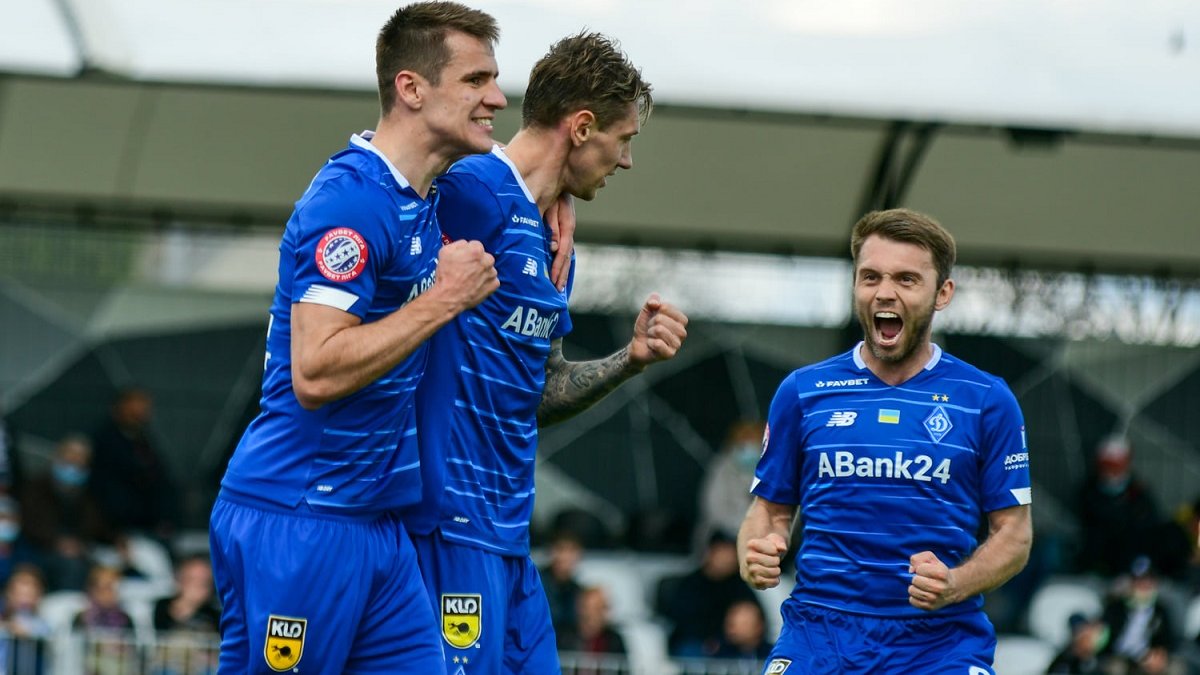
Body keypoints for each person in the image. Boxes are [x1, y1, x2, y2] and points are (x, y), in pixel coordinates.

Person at [208, 3, 510, 672]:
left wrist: (565, 190)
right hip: (301, 513)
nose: (497, 98)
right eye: (476, 80)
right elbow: (315, 371)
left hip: (376, 523)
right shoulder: (350, 202)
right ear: (411, 88)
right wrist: (444, 299)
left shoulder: (424, 195)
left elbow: (526, 166)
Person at [400, 32, 688, 675]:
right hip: (446, 525)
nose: (627, 161)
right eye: (624, 139)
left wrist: (630, 359)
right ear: (582, 128)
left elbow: (541, 390)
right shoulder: (471, 188)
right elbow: (390, 188)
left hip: (509, 537)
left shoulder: (553, 241)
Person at [738, 208, 1033, 674]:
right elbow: (769, 512)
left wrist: (955, 584)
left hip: (939, 645)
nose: (884, 292)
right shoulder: (802, 392)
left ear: (942, 293)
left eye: (906, 279)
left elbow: (1014, 534)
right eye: (870, 277)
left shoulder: (986, 400)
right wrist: (755, 552)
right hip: (820, 636)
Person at [19, 433, 111, 591]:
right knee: (71, 566)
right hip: (40, 549)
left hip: (80, 550)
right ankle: (67, 603)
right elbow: (30, 524)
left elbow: (97, 526)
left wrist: (114, 540)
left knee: (105, 568)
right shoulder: (36, 487)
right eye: (70, 461)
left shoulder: (88, 495)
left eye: (80, 464)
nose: (74, 468)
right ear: (57, 458)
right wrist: (59, 543)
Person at [89, 387, 179, 540]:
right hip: (115, 526)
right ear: (118, 408)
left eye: (143, 408)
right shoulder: (104, 441)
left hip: (148, 524)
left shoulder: (145, 441)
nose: (139, 413)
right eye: (133, 409)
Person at [657, 530, 762, 658]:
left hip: (731, 644)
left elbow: (756, 615)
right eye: (723, 552)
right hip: (696, 644)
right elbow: (682, 621)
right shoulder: (690, 584)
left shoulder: (740, 585)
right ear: (710, 553)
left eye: (731, 553)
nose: (728, 558)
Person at [1077, 435, 1163, 578]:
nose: (1110, 472)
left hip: (1130, 560)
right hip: (1096, 559)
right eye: (1106, 465)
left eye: (1116, 465)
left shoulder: (1138, 492)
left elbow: (1150, 525)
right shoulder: (1088, 490)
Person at [695, 419, 767, 554]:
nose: (748, 449)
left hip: (764, 537)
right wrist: (741, 527)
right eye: (743, 444)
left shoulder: (773, 471)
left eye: (753, 444)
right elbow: (714, 508)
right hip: (725, 534)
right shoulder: (721, 468)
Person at [1100, 556, 1181, 675]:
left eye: (1148, 580)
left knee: (1176, 668)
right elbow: (1104, 635)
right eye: (1139, 581)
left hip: (1149, 657)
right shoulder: (1115, 608)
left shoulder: (1161, 611)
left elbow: (1169, 640)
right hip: (1121, 657)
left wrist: (1160, 654)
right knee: (1115, 669)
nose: (1143, 585)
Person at [556, 586, 628, 674]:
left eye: (599, 608)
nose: (593, 614)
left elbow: (624, 671)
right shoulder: (564, 637)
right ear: (580, 608)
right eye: (589, 608)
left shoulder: (615, 641)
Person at [538, 529, 585, 636]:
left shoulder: (578, 591)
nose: (565, 556)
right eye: (560, 549)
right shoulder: (534, 584)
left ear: (579, 554)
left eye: (571, 550)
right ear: (551, 551)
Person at [712, 599, 774, 663]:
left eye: (744, 624)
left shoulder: (773, 654)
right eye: (730, 624)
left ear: (758, 626)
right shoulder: (719, 655)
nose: (732, 630)